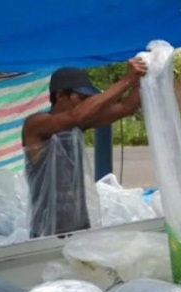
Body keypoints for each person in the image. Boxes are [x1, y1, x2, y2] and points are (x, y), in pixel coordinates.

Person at [22, 59, 147, 238]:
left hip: (79, 225)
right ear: (60, 96)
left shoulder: (77, 126)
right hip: (46, 232)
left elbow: (126, 107)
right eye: (82, 98)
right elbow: (77, 115)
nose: (85, 104)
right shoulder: (35, 125)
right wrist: (126, 80)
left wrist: (143, 78)